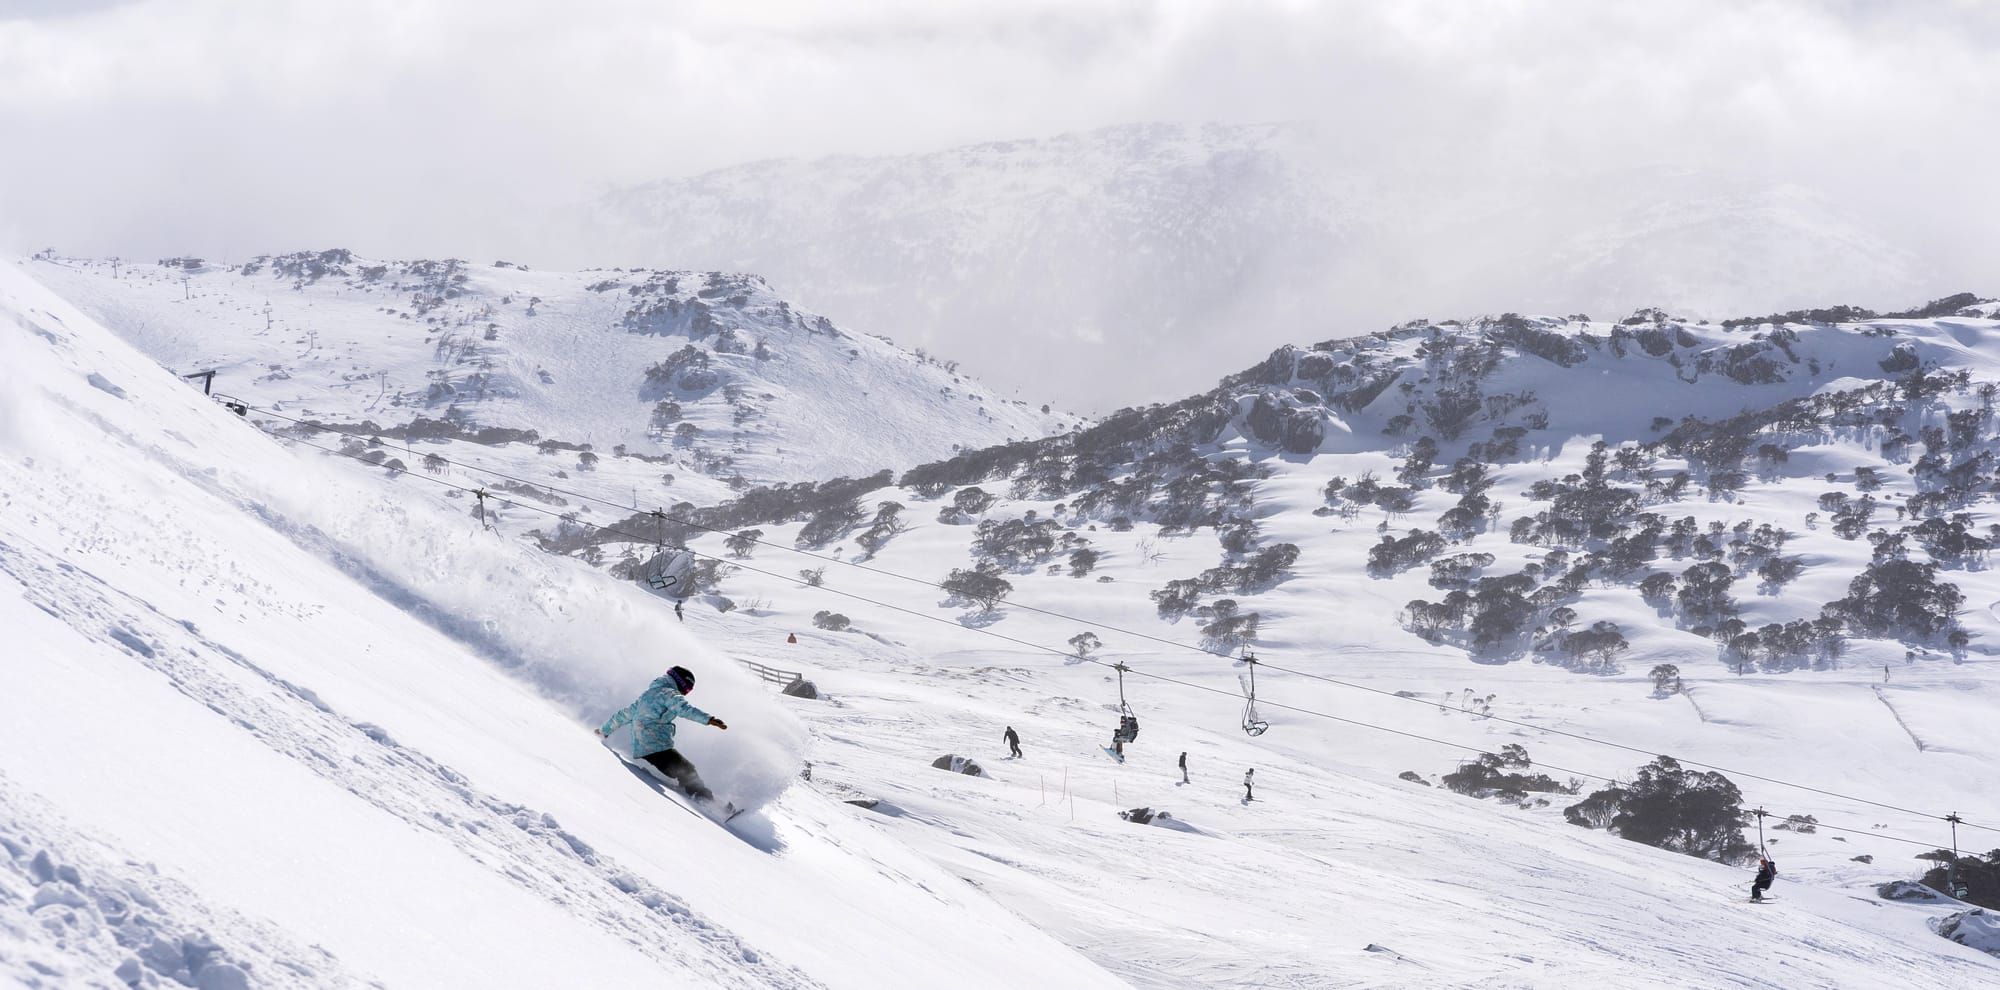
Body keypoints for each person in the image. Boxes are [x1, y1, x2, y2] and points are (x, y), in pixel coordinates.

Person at [598, 665, 728, 802]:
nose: (685, 693)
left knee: (681, 770)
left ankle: (689, 789)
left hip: (644, 748)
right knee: (688, 770)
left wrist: (604, 730)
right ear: (681, 683)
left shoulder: (648, 695)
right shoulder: (669, 694)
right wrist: (709, 719)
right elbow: (685, 709)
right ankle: (704, 799)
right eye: (687, 689)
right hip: (657, 746)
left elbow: (623, 715)